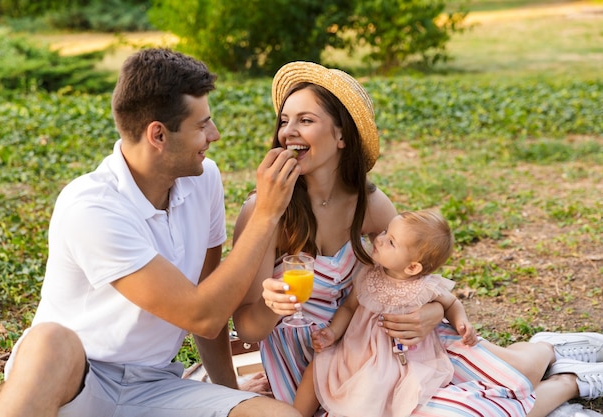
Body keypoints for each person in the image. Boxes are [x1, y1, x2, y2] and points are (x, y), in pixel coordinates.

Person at [230, 61, 603, 417]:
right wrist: (275, 305)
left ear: (341, 134)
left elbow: (415, 271)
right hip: (313, 363)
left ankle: (552, 353)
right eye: (284, 120)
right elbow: (248, 328)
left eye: (305, 120)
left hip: (383, 348)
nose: (287, 131)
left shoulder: (370, 205)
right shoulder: (265, 211)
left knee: (505, 376)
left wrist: (433, 311)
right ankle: (569, 380)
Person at [0, 48, 303, 417]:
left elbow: (210, 299)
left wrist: (228, 395)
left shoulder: (205, 180)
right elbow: (202, 315)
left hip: (156, 388)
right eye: (201, 126)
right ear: (158, 135)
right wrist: (266, 214)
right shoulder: (90, 206)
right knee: (50, 341)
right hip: (77, 383)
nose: (214, 135)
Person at [293, 209, 478, 417]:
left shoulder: (423, 287)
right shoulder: (369, 274)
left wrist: (461, 321)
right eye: (385, 232)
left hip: (392, 360)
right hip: (355, 349)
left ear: (412, 267)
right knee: (317, 368)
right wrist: (333, 333)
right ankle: (295, 414)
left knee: (371, 386)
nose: (379, 239)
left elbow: (452, 303)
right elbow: (349, 307)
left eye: (391, 242)